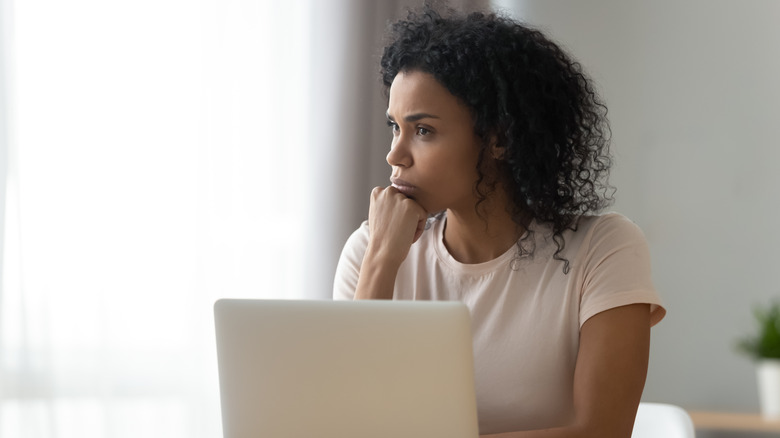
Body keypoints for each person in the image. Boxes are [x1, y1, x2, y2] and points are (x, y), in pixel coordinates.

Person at [333, 5, 665, 438]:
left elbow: (601, 430)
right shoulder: (371, 249)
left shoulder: (604, 249)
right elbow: (342, 420)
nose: (395, 154)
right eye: (394, 127)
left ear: (500, 139)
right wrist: (380, 260)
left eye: (424, 131)